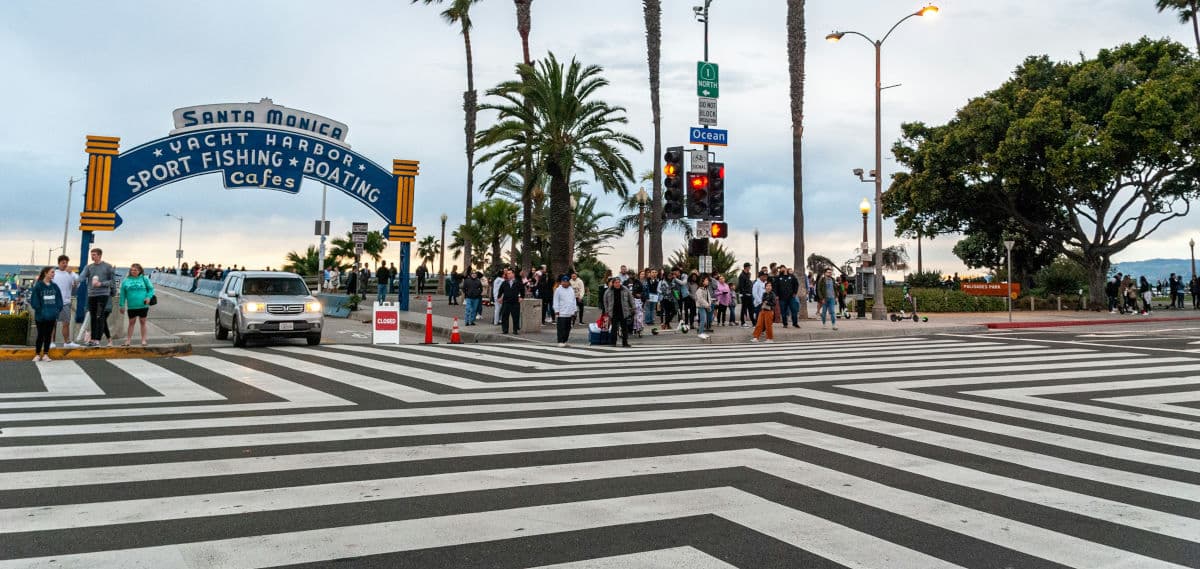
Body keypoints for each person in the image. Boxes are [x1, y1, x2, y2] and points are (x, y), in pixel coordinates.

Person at [78, 248, 116, 347]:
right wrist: (75, 281)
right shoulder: (89, 267)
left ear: (99, 255)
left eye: (94, 254)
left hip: (103, 294)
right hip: (92, 295)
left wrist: (101, 284)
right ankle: (93, 339)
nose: (92, 256)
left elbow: (112, 282)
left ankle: (97, 340)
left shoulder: (107, 267)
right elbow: (81, 276)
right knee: (93, 317)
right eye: (92, 254)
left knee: (99, 316)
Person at [30, 266, 63, 362]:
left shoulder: (55, 286)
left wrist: (56, 311)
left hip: (52, 316)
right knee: (40, 335)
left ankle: (45, 354)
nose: (54, 274)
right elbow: (34, 302)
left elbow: (59, 301)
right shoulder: (38, 286)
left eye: (54, 272)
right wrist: (41, 312)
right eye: (52, 272)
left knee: (48, 335)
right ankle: (37, 354)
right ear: (46, 273)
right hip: (41, 316)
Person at [119, 263, 155, 347]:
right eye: (131, 270)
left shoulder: (144, 279)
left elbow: (151, 289)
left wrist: (149, 297)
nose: (133, 271)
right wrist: (122, 305)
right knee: (131, 322)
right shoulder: (126, 280)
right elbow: (122, 294)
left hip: (143, 305)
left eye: (135, 270)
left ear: (140, 271)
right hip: (132, 306)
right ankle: (128, 340)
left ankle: (143, 340)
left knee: (143, 322)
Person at [51, 255, 79, 347]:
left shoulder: (70, 274)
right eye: (63, 262)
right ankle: (51, 342)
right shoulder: (54, 273)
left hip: (66, 302)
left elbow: (78, 280)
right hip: (54, 303)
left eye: (66, 262)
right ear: (59, 263)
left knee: (66, 323)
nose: (65, 264)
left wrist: (71, 273)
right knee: (52, 324)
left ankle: (67, 342)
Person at [601, 276, 633, 347]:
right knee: (614, 328)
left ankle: (625, 342)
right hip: (613, 312)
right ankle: (613, 342)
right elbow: (605, 301)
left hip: (623, 311)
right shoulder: (608, 291)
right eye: (616, 282)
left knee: (624, 328)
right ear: (613, 283)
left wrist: (633, 308)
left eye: (619, 282)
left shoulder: (625, 289)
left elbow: (630, 299)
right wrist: (606, 310)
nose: (617, 284)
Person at [552, 274, 578, 346]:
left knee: (568, 328)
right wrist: (556, 310)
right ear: (561, 282)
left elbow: (573, 300)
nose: (565, 283)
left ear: (568, 282)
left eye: (566, 282)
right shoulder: (558, 290)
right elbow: (555, 301)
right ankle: (560, 341)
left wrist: (574, 310)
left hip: (570, 312)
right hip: (561, 312)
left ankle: (565, 341)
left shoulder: (571, 290)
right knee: (561, 328)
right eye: (563, 282)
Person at [497, 268, 523, 334]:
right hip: (506, 302)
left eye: (509, 273)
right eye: (507, 274)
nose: (508, 275)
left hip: (515, 302)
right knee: (505, 316)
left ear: (513, 274)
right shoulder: (504, 282)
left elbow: (522, 291)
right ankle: (505, 330)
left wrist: (521, 297)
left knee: (515, 316)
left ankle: (515, 330)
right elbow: (500, 291)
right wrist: (499, 297)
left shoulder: (518, 282)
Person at [695, 275, 713, 339]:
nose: (707, 281)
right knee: (703, 319)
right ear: (702, 282)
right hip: (701, 306)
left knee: (704, 319)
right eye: (706, 280)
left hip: (704, 306)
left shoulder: (706, 289)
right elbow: (700, 299)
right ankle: (700, 333)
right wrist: (707, 305)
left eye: (707, 280)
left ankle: (702, 332)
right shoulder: (699, 290)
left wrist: (709, 304)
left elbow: (709, 298)